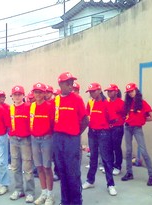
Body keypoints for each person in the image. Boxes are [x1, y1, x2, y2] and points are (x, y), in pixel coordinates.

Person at [53, 72, 88, 205]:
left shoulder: (77, 99)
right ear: (60, 84)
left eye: (72, 83)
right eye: (68, 83)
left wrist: (76, 133)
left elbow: (85, 120)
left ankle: (76, 201)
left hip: (71, 140)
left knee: (73, 173)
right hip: (58, 138)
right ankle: (65, 200)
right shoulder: (56, 100)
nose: (71, 86)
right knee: (62, 171)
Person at [82, 83, 118, 196]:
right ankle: (90, 180)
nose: (91, 93)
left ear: (99, 91)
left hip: (103, 134)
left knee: (106, 159)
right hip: (92, 133)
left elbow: (113, 119)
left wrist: (105, 128)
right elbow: (87, 115)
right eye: (90, 92)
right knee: (93, 157)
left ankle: (111, 185)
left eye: (93, 91)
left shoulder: (106, 103)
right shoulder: (90, 102)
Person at [121, 83, 152, 186]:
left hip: (137, 129)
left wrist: (142, 120)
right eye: (128, 92)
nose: (130, 93)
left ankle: (151, 176)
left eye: (132, 91)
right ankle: (129, 173)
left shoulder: (143, 103)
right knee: (128, 151)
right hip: (127, 128)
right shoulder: (127, 103)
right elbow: (124, 115)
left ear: (136, 90)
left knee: (144, 151)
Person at [8, 85, 35, 203]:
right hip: (13, 140)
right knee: (15, 166)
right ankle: (19, 189)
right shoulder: (10, 109)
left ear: (23, 96)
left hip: (25, 140)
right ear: (12, 97)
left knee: (27, 167)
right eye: (15, 94)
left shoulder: (29, 107)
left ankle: (30, 192)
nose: (17, 96)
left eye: (19, 94)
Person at [30, 83, 55, 205]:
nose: (38, 94)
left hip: (46, 139)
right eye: (36, 92)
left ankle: (50, 195)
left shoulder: (50, 106)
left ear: (45, 93)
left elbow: (52, 123)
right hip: (34, 139)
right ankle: (43, 193)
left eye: (40, 92)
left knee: (47, 167)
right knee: (39, 167)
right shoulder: (32, 106)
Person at [104, 84, 125, 175]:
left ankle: (118, 166)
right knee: (109, 147)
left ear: (116, 92)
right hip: (109, 128)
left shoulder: (121, 103)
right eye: (108, 91)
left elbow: (125, 115)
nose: (109, 93)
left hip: (118, 128)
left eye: (111, 91)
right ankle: (110, 166)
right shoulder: (107, 102)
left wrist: (118, 122)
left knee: (116, 147)